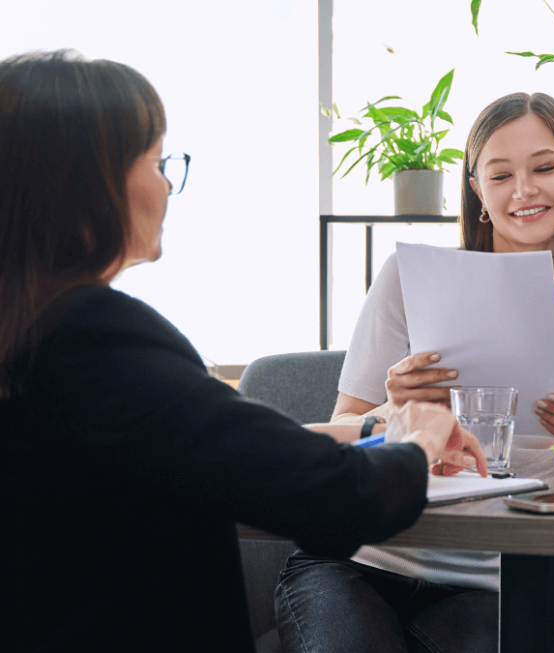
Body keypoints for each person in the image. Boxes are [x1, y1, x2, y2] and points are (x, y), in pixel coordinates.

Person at [0, 50, 487, 652]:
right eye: (156, 160)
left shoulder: (33, 336)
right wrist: (418, 439)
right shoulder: (97, 337)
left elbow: (218, 445)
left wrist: (373, 430)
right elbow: (334, 498)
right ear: (88, 184)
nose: (168, 183)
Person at [276, 92, 554, 653]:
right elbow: (342, 429)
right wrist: (394, 408)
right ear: (479, 190)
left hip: (488, 585)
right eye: (500, 175)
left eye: (544, 168)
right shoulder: (408, 277)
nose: (523, 190)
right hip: (357, 557)